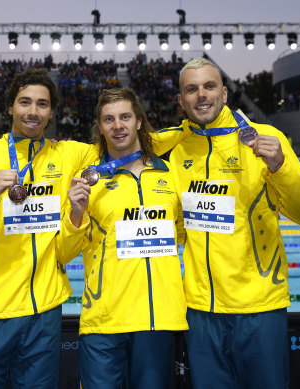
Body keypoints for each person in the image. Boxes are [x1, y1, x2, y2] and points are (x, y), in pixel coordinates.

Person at [0, 68, 189, 388]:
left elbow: (127, 140)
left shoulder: (71, 154)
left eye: (42, 104)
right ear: (10, 107)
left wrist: (195, 129)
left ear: (51, 112)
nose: (33, 111)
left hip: (44, 311)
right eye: (25, 102)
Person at [167, 58, 300, 389]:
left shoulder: (265, 137)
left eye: (209, 86)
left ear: (224, 93)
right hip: (201, 310)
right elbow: (179, 228)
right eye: (191, 89)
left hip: (259, 307)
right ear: (181, 101)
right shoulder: (179, 152)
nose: (201, 95)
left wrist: (280, 165)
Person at [58, 87, 188, 388]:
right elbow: (63, 254)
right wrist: (76, 213)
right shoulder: (88, 181)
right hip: (105, 320)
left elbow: (188, 237)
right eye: (109, 119)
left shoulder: (168, 175)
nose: (118, 126)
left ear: (139, 122)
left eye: (125, 117)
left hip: (158, 320)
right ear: (100, 127)